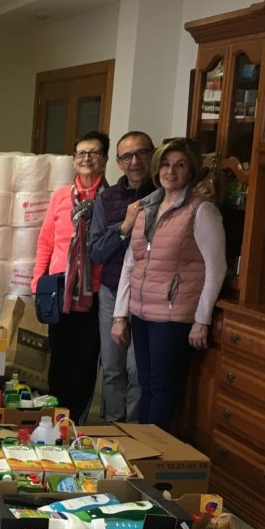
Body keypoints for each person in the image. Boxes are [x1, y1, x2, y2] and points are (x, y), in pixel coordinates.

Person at [112, 139, 226, 430]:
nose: (170, 171)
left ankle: (154, 454)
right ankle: (143, 450)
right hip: (142, 312)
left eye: (180, 165)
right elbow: (131, 263)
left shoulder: (201, 211)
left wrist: (202, 319)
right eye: (165, 164)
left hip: (173, 316)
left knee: (164, 389)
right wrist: (120, 315)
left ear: (191, 170)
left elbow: (216, 267)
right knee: (146, 384)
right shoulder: (148, 207)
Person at [31, 131, 111, 424]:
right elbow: (46, 241)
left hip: (94, 291)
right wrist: (38, 280)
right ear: (74, 160)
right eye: (80, 153)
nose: (86, 158)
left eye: (93, 152)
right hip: (59, 287)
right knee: (59, 359)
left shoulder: (110, 198)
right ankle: (55, 419)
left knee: (86, 362)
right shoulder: (61, 196)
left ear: (103, 159)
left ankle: (75, 422)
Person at [89, 131, 154, 423]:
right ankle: (111, 431)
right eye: (127, 156)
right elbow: (97, 252)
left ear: (153, 155)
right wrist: (124, 227)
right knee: (113, 368)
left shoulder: (164, 195)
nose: (135, 161)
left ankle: (134, 433)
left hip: (148, 296)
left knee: (138, 369)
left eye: (141, 153)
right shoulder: (107, 200)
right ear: (118, 162)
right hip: (113, 291)